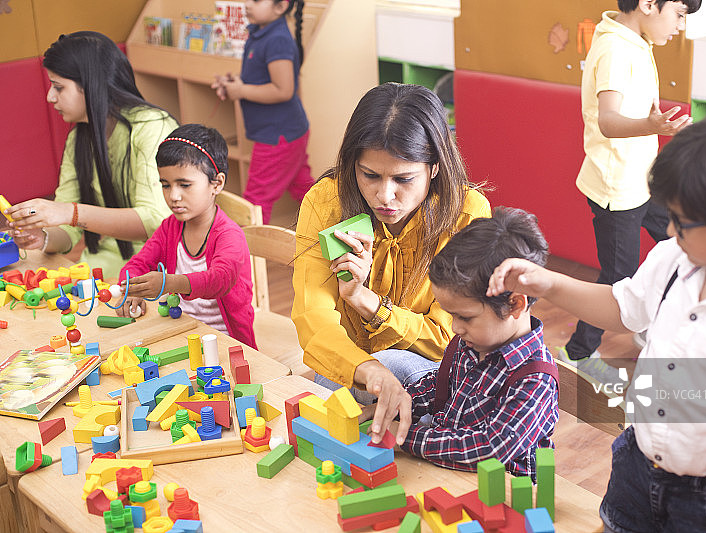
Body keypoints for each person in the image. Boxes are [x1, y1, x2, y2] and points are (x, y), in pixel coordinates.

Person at [488, 108, 706, 532]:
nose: (669, 229)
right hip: (637, 464)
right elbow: (622, 309)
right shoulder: (673, 259)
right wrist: (551, 285)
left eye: (683, 221)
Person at [291, 83, 491, 446]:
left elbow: (450, 338)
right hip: (349, 367)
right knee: (348, 397)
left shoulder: (467, 213)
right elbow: (313, 319)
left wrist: (366, 302)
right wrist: (367, 369)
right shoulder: (326, 203)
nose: (385, 196)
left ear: (434, 169)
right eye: (369, 175)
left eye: (403, 179)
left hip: (428, 371)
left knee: (395, 376)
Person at [362, 207, 558, 475]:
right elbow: (441, 387)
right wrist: (400, 407)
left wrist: (406, 437)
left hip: (499, 494)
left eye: (465, 317)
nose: (455, 327)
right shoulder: (471, 343)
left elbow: (491, 448)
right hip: (444, 468)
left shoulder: (536, 380)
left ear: (514, 304)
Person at [562, 0, 701, 373]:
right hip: (617, 188)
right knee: (617, 279)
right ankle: (578, 353)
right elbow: (608, 121)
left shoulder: (634, 40)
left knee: (680, 244)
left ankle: (651, 321)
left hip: (641, 181)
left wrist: (659, 128)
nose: (679, 27)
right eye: (679, 15)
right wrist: (654, 126)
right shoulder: (614, 48)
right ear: (648, 4)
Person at [4, 31, 177, 275]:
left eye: (58, 87)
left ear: (89, 86)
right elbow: (69, 230)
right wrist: (42, 237)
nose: (50, 97)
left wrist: (70, 212)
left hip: (157, 273)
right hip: (100, 272)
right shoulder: (80, 137)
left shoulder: (152, 127)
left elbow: (155, 220)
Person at [117, 124, 256, 349]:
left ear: (217, 184)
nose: (173, 196)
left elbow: (219, 280)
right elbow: (138, 264)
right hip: (182, 331)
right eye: (165, 185)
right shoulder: (169, 228)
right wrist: (133, 290)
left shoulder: (230, 235)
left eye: (184, 185)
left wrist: (168, 283)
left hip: (227, 342)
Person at [211, 0, 313, 223]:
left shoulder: (277, 39)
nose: (247, 4)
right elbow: (262, 79)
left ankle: (250, 256)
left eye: (256, 0)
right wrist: (235, 85)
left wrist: (241, 90)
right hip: (286, 131)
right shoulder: (261, 32)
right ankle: (336, 228)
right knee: (304, 188)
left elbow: (283, 90)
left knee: (255, 202)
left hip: (278, 135)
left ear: (280, 6)